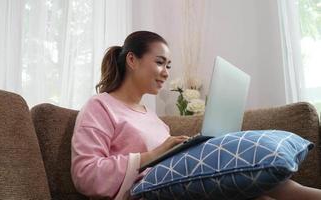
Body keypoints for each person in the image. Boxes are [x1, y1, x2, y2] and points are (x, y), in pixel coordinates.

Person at [71, 31, 321, 200]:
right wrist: (152, 155)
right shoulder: (99, 107)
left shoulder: (154, 118)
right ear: (132, 60)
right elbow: (85, 174)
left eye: (169, 65)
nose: (166, 72)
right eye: (160, 62)